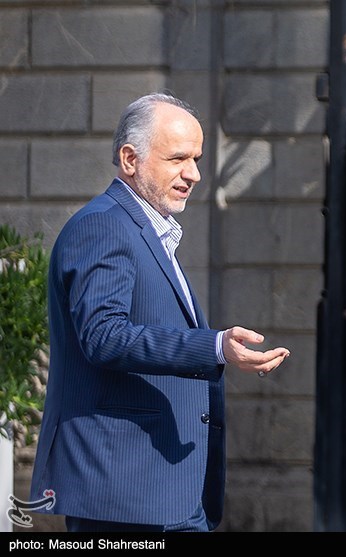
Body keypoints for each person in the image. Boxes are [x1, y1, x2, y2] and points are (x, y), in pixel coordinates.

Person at [29, 92, 291, 532]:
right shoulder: (104, 226)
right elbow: (104, 337)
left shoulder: (147, 230)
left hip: (168, 490)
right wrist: (214, 347)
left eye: (196, 159)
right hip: (122, 493)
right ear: (130, 159)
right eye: (177, 159)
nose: (194, 174)